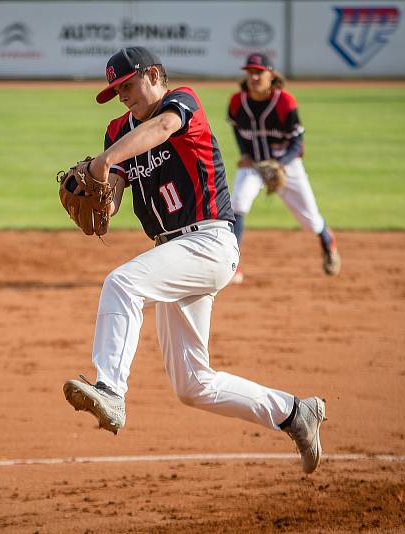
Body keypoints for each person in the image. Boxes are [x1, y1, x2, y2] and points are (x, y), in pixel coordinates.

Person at [61, 47, 327, 474]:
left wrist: (106, 160)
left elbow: (164, 129)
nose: (122, 96)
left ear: (153, 75)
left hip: (210, 242)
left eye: (126, 86)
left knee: (121, 283)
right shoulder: (117, 131)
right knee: (192, 384)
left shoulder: (181, 102)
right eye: (115, 91)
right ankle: (296, 413)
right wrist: (97, 193)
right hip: (173, 252)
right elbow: (111, 199)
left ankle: (110, 389)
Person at [227, 53, 341, 284]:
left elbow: (298, 141)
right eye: (250, 72)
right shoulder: (237, 102)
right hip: (255, 165)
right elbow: (238, 131)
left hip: (286, 164)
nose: (254, 77)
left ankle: (328, 242)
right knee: (237, 204)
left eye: (259, 72)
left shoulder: (284, 102)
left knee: (309, 218)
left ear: (271, 75)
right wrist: (245, 155)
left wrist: (281, 163)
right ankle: (231, 264)